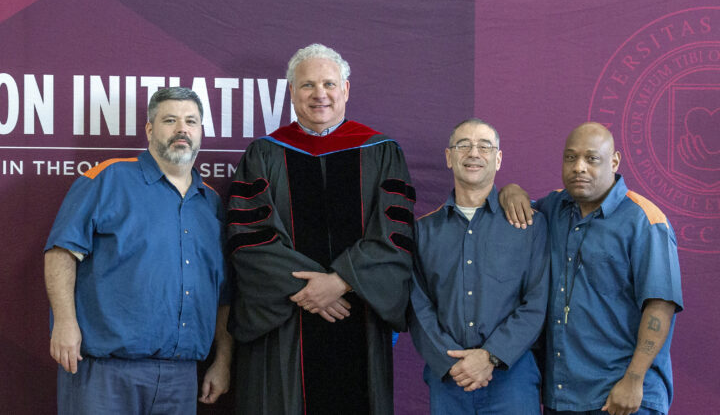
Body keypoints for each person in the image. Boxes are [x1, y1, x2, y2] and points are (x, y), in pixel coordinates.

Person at [226, 43, 415, 414]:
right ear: (292, 92)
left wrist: (341, 281)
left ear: (345, 90)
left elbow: (394, 233)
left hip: (356, 315)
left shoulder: (381, 152)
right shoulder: (264, 154)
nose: (320, 94)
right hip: (286, 322)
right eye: (308, 85)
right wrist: (307, 288)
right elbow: (249, 237)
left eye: (329, 84)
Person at [43, 87, 232, 414]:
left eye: (191, 121)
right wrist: (64, 323)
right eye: (170, 120)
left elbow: (223, 294)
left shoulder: (211, 202)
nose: (181, 130)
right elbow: (61, 253)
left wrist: (223, 360)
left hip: (181, 375)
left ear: (201, 131)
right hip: (105, 370)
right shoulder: (109, 178)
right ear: (149, 129)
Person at [500, 122, 683, 415]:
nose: (579, 168)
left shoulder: (644, 221)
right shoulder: (555, 208)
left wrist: (634, 380)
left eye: (591, 158)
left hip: (622, 397)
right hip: (563, 396)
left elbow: (660, 306)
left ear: (614, 161)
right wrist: (509, 190)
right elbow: (522, 206)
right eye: (570, 158)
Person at [409, 118, 548, 414]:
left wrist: (490, 356)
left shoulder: (530, 225)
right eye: (464, 145)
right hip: (449, 378)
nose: (474, 153)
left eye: (485, 146)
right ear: (449, 157)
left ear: (498, 159)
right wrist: (453, 363)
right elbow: (417, 305)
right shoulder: (423, 231)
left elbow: (537, 302)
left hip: (513, 377)